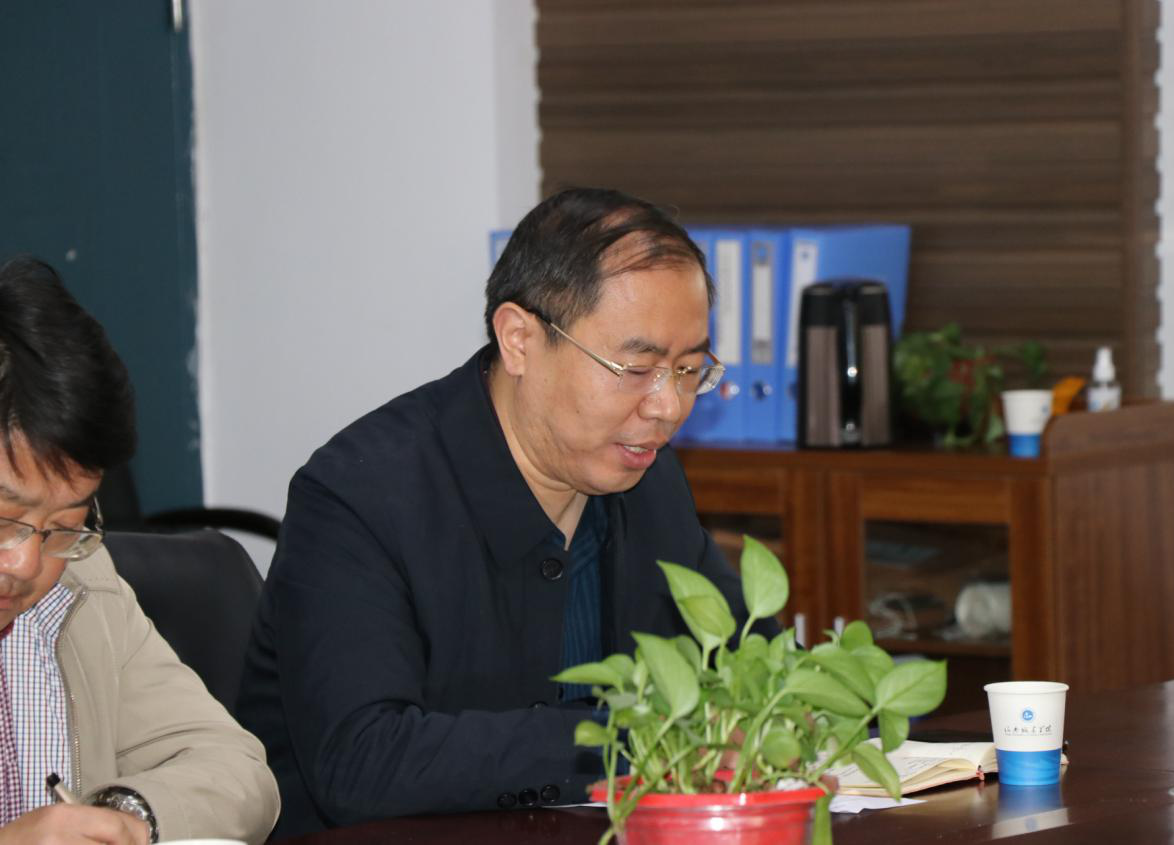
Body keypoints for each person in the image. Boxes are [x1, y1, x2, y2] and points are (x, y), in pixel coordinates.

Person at [238, 187, 777, 837]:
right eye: (637, 368)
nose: (667, 407)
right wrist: (631, 739)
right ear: (519, 339)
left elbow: (753, 667)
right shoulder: (360, 496)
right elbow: (362, 760)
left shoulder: (648, 479)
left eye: (689, 370)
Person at [0, 256, 280, 844]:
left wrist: (124, 816)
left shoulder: (83, 584)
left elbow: (237, 770)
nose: (27, 563)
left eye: (65, 525)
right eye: (5, 519)